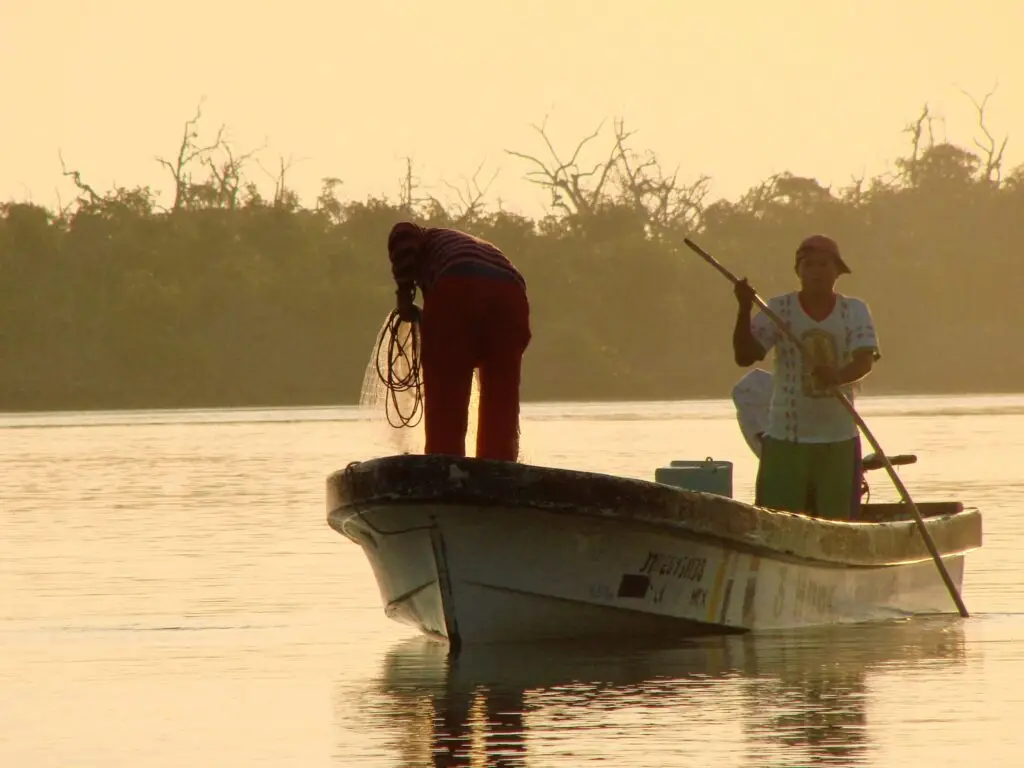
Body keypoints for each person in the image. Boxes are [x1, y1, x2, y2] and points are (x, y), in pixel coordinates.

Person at [732, 234, 880, 519]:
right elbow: (745, 356)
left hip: (837, 437)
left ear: (837, 271)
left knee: (838, 523)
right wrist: (743, 308)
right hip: (786, 438)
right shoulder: (779, 309)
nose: (816, 272)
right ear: (798, 271)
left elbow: (864, 361)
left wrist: (837, 376)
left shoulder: (854, 310)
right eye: (809, 265)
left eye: (824, 265)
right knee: (776, 520)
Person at [387, 221, 531, 462]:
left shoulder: (422, 236)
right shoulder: (467, 246)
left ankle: (444, 465)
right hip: (513, 294)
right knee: (501, 396)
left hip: (458, 284)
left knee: (447, 387)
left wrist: (404, 295)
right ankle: (499, 468)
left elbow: (403, 232)